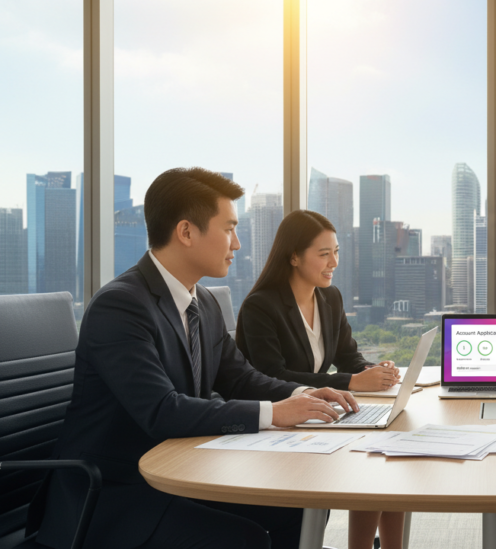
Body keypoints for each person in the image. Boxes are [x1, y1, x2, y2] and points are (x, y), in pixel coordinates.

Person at [27, 168, 359, 549]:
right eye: (229, 228)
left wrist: (305, 395)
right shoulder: (120, 306)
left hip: (179, 471)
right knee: (243, 540)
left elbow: (241, 378)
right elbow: (161, 411)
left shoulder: (202, 302)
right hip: (114, 493)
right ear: (186, 232)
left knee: (298, 509)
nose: (237, 243)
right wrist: (274, 413)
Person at [236, 209, 405, 549]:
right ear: (295, 256)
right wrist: (353, 383)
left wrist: (376, 371)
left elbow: (349, 357)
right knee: (369, 462)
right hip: (278, 428)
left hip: (316, 420)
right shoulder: (260, 306)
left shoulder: (330, 297)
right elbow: (272, 375)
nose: (334, 262)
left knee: (385, 455)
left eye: (337, 252)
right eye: (324, 254)